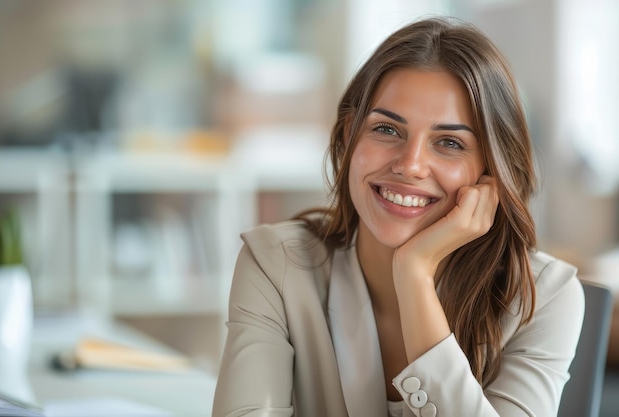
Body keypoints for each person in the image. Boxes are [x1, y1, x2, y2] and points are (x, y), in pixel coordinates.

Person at [212, 16, 584, 417]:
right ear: (350, 135)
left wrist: (414, 274)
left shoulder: (543, 298)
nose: (410, 165)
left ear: (492, 170)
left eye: (449, 142)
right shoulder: (276, 264)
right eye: (387, 130)